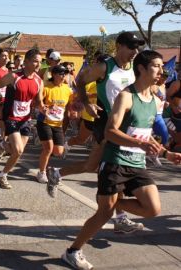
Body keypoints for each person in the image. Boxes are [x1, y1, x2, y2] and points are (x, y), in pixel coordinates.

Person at [60, 50, 181, 270]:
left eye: (161, 67)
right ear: (141, 69)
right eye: (156, 66)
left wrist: (165, 153)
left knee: (153, 209)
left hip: (136, 163)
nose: (161, 71)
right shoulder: (127, 96)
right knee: (104, 213)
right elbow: (110, 132)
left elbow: (145, 137)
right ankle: (73, 251)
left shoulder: (154, 101)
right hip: (115, 161)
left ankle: (112, 206)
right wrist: (141, 145)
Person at [47, 32, 146, 234]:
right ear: (118, 46)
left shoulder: (136, 69)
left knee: (91, 165)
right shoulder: (105, 67)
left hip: (126, 126)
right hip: (107, 126)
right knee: (118, 169)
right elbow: (81, 81)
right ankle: (120, 218)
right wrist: (86, 102)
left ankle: (57, 173)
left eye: (138, 47)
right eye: (131, 46)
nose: (135, 51)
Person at [0, 48, 44, 189]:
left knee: (17, 153)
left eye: (40, 62)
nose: (38, 65)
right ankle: (3, 174)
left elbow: (39, 101)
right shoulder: (14, 76)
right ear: (26, 61)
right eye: (35, 61)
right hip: (11, 117)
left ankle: (2, 173)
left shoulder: (39, 81)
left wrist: (43, 108)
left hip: (26, 119)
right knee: (18, 151)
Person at [36, 65, 73, 183]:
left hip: (58, 123)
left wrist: (73, 111)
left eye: (65, 74)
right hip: (44, 121)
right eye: (61, 73)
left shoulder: (67, 89)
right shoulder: (47, 87)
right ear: (54, 75)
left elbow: (72, 103)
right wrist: (44, 107)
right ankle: (41, 172)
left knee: (58, 152)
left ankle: (44, 157)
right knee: (48, 148)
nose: (63, 76)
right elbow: (37, 102)